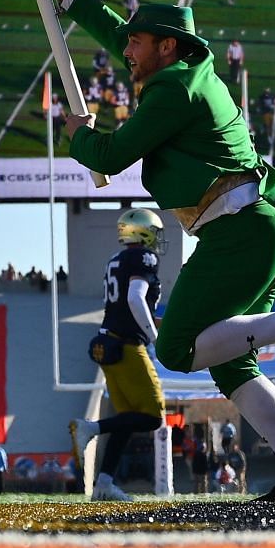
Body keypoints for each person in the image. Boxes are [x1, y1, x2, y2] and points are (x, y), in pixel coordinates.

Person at [27, 0, 275, 503]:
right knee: (229, 363)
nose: (125, 49)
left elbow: (110, 154)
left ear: (167, 46)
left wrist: (80, 135)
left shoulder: (172, 90)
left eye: (137, 41)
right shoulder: (185, 73)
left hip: (240, 233)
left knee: (175, 349)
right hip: (260, 227)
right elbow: (120, 36)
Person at [70, 209, 168, 502]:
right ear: (143, 231)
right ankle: (91, 428)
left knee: (127, 418)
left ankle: (103, 485)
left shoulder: (116, 259)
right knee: (152, 417)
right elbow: (135, 298)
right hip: (127, 346)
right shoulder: (143, 258)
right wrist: (155, 337)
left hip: (107, 342)